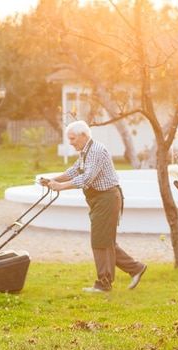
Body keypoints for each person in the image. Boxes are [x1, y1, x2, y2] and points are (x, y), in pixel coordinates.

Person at [41, 120, 147, 293]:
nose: (71, 142)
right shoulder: (85, 151)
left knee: (101, 241)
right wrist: (52, 180)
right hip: (100, 199)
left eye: (73, 138)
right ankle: (135, 268)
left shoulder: (96, 151)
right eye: (69, 139)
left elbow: (86, 179)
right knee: (105, 240)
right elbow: (74, 171)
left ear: (83, 135)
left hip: (107, 198)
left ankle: (104, 283)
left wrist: (60, 187)